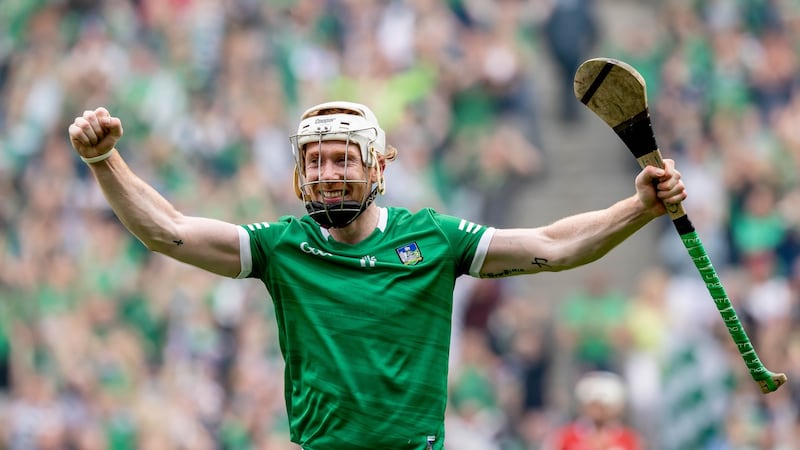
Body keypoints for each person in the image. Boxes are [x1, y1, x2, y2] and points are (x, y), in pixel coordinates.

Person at [67, 101, 685, 450]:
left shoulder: (433, 238)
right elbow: (167, 230)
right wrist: (103, 160)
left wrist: (638, 208)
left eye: (341, 158)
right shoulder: (284, 246)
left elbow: (554, 246)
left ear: (376, 167)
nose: (328, 172)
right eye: (315, 160)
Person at [541, 371, 644, 450]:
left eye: (604, 405)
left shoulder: (630, 440)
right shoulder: (565, 437)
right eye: (594, 404)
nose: (598, 410)